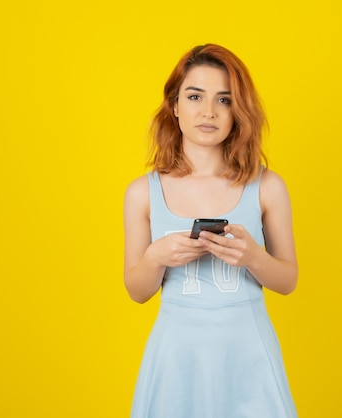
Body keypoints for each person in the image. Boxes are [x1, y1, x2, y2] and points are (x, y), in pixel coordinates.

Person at [124, 44, 298, 418]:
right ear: (174, 105)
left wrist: (253, 257)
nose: (208, 112)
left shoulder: (268, 186)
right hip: (175, 359)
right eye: (194, 96)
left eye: (224, 100)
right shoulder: (142, 193)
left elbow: (287, 280)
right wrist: (155, 257)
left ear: (239, 110)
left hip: (248, 354)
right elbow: (137, 291)